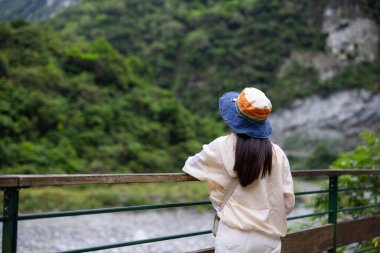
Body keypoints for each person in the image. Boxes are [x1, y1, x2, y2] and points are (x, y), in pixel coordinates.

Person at [182, 87, 295, 253]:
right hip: (269, 238)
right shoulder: (278, 153)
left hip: (233, 236)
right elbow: (288, 203)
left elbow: (191, 166)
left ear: (236, 117)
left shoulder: (221, 146)